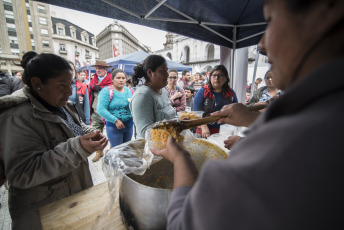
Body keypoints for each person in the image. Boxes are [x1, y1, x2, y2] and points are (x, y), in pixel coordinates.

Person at [150, 0, 344, 229]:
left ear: (328, 8)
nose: (261, 44)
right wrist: (252, 118)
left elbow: (183, 225)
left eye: (270, 20)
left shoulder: (300, 142)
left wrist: (181, 159)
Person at [0, 52, 108, 229]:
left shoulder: (59, 103)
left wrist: (90, 132)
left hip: (71, 199)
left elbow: (74, 125)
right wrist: (77, 147)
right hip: (43, 213)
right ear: (37, 84)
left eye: (71, 84)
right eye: (61, 85)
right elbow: (23, 172)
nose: (69, 91)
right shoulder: (17, 117)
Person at [130, 55, 176, 138]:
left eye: (166, 71)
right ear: (150, 73)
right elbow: (145, 132)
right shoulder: (142, 96)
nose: (167, 75)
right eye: (162, 71)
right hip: (151, 148)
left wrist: (180, 121)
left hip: (168, 143)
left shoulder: (164, 91)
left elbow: (170, 116)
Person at [193, 64, 238, 138]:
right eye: (214, 75)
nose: (217, 78)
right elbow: (196, 112)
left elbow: (235, 110)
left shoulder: (230, 93)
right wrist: (204, 126)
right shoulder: (203, 91)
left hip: (225, 131)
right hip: (205, 131)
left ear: (226, 78)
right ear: (210, 77)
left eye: (220, 75)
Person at [97, 69, 133, 148]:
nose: (121, 80)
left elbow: (132, 105)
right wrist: (115, 120)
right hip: (114, 127)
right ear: (112, 79)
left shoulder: (128, 90)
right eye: (118, 78)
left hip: (129, 125)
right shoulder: (106, 91)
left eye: (123, 78)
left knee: (127, 150)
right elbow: (100, 109)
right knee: (116, 152)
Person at [88, 60, 112, 161]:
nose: (98, 70)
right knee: (96, 133)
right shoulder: (93, 80)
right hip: (95, 111)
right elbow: (90, 91)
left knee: (111, 133)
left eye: (100, 68)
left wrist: (102, 88)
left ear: (106, 69)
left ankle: (112, 152)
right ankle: (99, 151)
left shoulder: (111, 79)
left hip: (108, 112)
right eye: (96, 68)